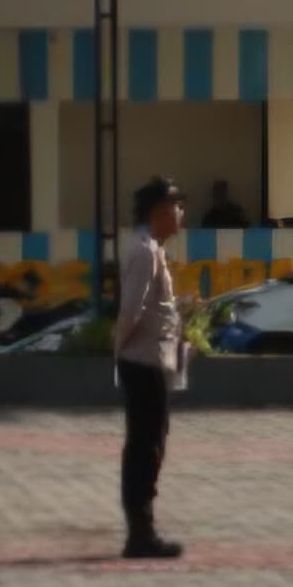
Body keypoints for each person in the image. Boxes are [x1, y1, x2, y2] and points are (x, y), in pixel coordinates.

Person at [117, 175, 188, 560]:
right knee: (146, 447)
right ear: (159, 212)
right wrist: (119, 348)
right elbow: (131, 309)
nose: (181, 214)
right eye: (176, 207)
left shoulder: (150, 248)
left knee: (147, 445)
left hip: (147, 359)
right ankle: (140, 535)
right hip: (143, 362)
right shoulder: (146, 252)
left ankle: (141, 530)